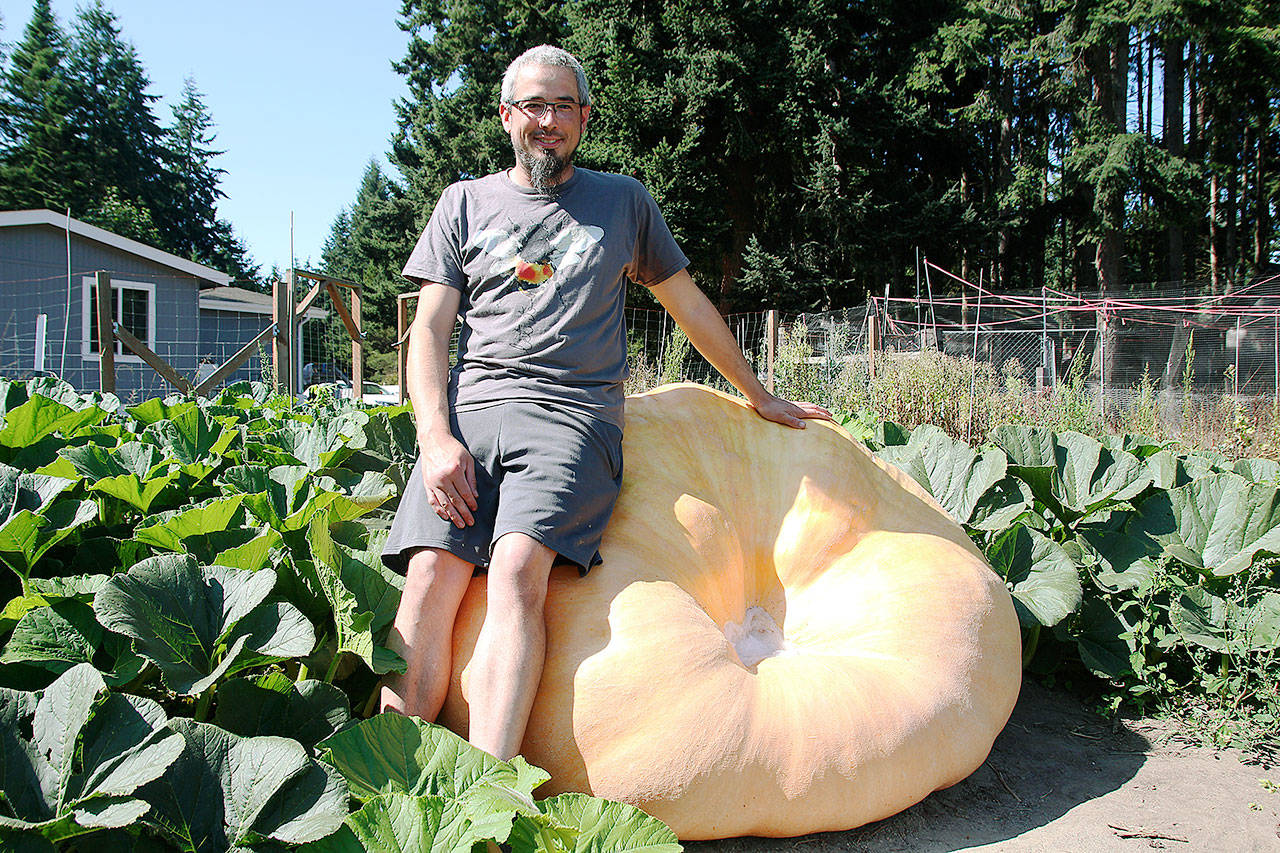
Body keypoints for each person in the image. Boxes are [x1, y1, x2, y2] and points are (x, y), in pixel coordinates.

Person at [379, 44, 831, 760]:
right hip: (471, 416)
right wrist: (435, 438)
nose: (549, 119)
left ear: (585, 118)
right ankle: (394, 774)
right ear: (507, 116)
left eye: (564, 106)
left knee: (517, 568)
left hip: (570, 417)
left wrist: (760, 393)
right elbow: (429, 331)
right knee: (431, 574)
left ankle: (485, 798)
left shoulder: (624, 202)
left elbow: (687, 305)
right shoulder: (461, 202)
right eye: (534, 104)